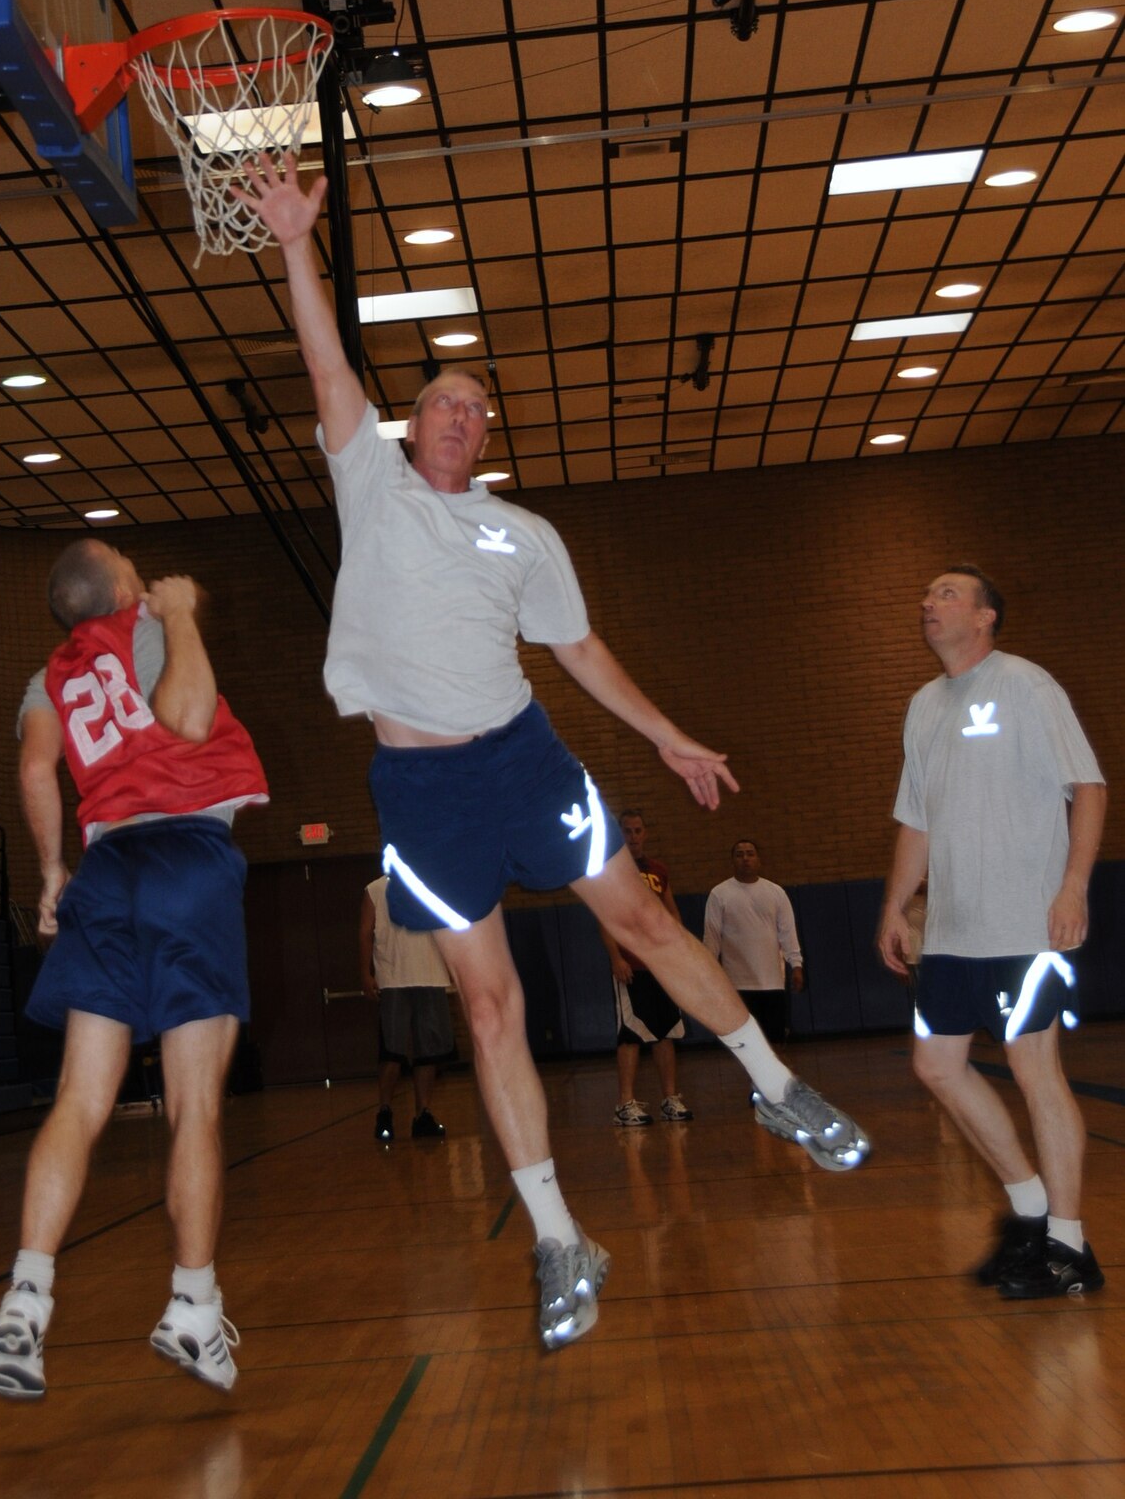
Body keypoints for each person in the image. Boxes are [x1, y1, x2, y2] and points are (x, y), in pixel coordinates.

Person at [239, 151, 870, 1355]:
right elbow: (328, 361)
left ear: (486, 438)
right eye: (444, 399)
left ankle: (780, 1088)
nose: (462, 414)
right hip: (421, 790)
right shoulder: (369, 486)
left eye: (480, 406)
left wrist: (671, 733)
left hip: (526, 758)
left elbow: (580, 651)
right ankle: (557, 1235)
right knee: (488, 1008)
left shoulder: (521, 532)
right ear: (407, 422)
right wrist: (292, 240)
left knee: (643, 924)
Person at [0, 541, 268, 1400]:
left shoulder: (50, 680)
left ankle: (26, 1299)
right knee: (193, 1107)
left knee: (80, 1098)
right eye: (128, 563)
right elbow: (185, 719)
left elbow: (38, 768)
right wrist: (179, 614)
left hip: (105, 874)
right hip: (185, 858)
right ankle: (192, 1304)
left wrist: (50, 877)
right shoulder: (146, 623)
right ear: (119, 589)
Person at [879, 565, 1107, 1300]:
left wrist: (1072, 886)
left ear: (985, 618)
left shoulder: (1025, 685)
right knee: (937, 1066)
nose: (928, 603)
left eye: (947, 593)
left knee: (1034, 1065)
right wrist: (895, 906)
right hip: (951, 929)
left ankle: (1069, 1247)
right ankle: (1032, 1212)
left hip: (1024, 920)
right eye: (928, 595)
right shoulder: (922, 705)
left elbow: (1091, 787)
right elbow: (917, 819)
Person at [600, 809, 692, 1124]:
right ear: (619, 834)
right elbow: (606, 918)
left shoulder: (658, 870)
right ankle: (624, 1103)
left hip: (661, 965)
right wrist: (616, 957)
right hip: (632, 964)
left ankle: (670, 1098)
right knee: (630, 1034)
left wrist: (677, 953)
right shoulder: (611, 871)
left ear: (646, 833)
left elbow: (673, 914)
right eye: (628, 831)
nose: (634, 837)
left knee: (666, 1031)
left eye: (638, 830)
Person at [360, 872, 455, 1141]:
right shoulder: (375, 889)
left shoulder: (434, 884)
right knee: (392, 1052)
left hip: (430, 975)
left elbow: (449, 928)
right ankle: (385, 1110)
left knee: (429, 1052)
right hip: (393, 979)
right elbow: (365, 932)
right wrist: (365, 973)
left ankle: (423, 1114)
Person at [703, 840, 804, 1043]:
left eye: (750, 853)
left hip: (772, 982)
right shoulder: (719, 894)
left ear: (758, 859)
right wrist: (709, 973)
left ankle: (776, 1076)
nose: (745, 858)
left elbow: (787, 933)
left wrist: (796, 965)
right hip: (737, 984)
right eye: (740, 854)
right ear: (732, 861)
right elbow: (712, 938)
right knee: (747, 1044)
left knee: (775, 1041)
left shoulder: (776, 893)